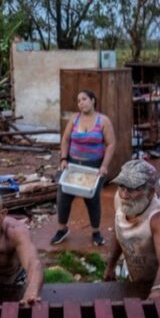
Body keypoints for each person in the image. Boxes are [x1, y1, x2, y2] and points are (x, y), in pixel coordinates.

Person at [103, 160, 160, 300]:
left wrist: (158, 288)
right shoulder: (120, 199)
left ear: (150, 192)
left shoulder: (159, 218)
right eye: (122, 186)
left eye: (132, 189)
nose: (124, 195)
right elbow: (119, 229)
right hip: (135, 282)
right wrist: (111, 265)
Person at [52, 89, 116, 246]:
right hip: (73, 164)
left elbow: (111, 144)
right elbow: (66, 140)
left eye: (84, 99)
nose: (81, 103)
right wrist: (63, 158)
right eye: (79, 100)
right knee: (63, 196)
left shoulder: (103, 121)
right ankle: (62, 229)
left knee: (92, 199)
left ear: (93, 100)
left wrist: (104, 166)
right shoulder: (74, 119)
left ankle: (95, 232)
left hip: (94, 167)